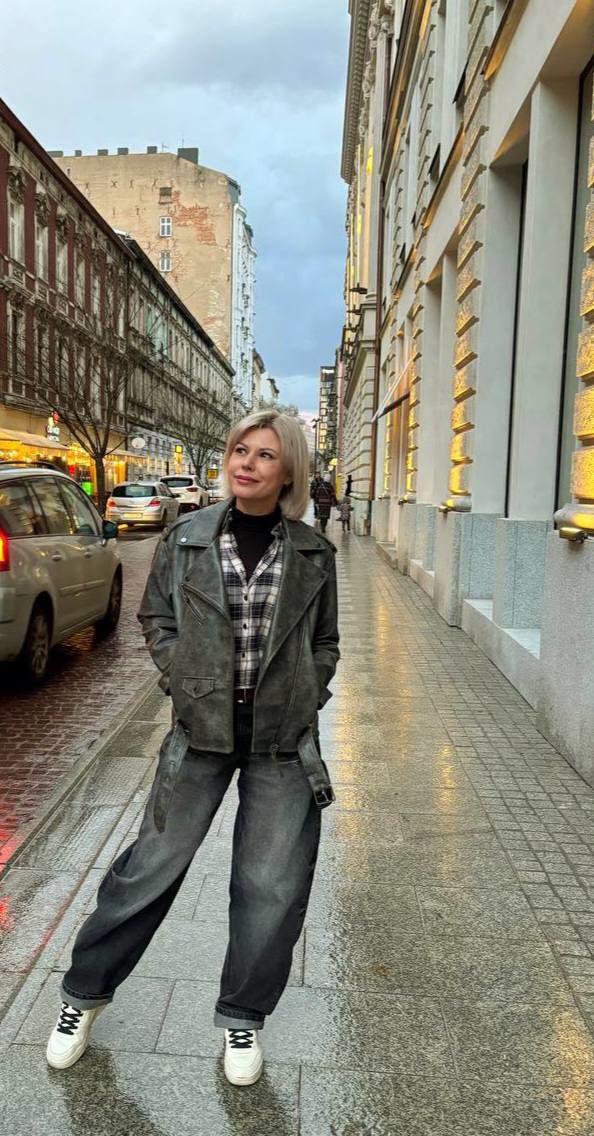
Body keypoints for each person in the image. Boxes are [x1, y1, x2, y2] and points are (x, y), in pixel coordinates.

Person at [46, 410, 339, 1088]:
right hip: (199, 734)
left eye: (264, 455)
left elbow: (324, 640)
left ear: (288, 471)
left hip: (282, 740)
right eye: (240, 450)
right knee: (150, 868)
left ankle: (242, 1016)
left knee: (271, 885)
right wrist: (183, 675)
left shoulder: (312, 552)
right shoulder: (186, 538)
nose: (247, 463)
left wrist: (309, 689)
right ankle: (82, 995)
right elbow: (156, 616)